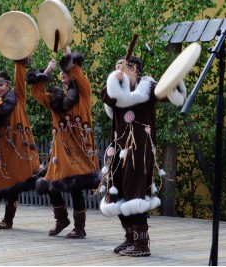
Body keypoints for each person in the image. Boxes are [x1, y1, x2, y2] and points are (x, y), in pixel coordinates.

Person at [99, 55, 186, 256]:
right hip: (119, 148)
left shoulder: (148, 87)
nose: (117, 68)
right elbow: (106, 97)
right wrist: (117, 78)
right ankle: (130, 238)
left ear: (135, 69)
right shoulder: (116, 88)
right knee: (116, 192)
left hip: (140, 151)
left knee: (134, 191)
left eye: (121, 65)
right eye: (116, 66)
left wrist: (174, 78)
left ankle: (141, 244)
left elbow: (167, 93)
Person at [26, 46, 100, 239]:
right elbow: (37, 93)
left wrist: (68, 52)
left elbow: (77, 71)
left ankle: (80, 228)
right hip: (60, 152)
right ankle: (61, 219)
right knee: (50, 185)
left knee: (76, 188)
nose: (63, 73)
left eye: (66, 70)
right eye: (60, 72)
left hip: (78, 149)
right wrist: (47, 71)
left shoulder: (83, 93)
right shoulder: (55, 97)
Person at [0, 58, 41, 230]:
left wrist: (19, 62)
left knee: (13, 183)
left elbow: (20, 77)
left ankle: (8, 220)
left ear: (8, 85)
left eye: (1, 85)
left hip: (15, 149)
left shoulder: (18, 98)